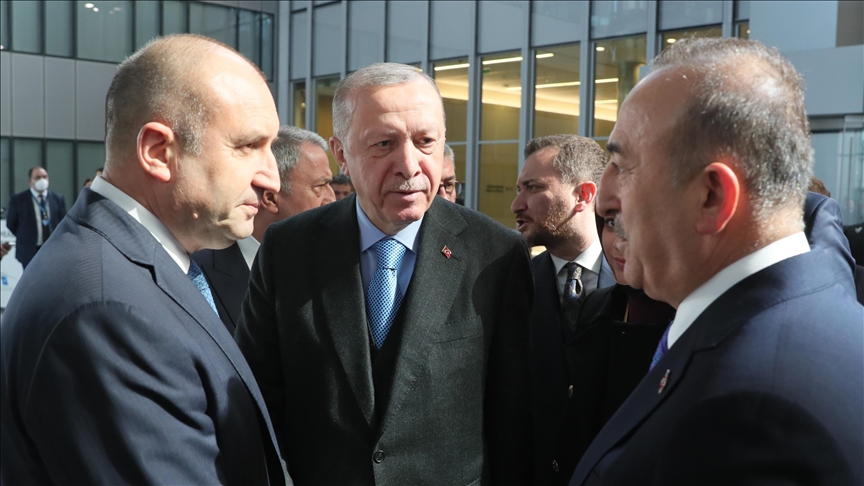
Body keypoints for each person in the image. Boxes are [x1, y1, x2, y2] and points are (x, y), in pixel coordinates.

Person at [569, 38, 863, 485]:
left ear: (712, 197)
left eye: (622, 166)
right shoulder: (821, 316)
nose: (604, 197)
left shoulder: (749, 417)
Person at [0, 34, 289, 485]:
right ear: (158, 152)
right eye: (248, 146)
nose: (272, 178)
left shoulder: (130, 269)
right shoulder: (107, 311)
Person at [235, 62, 534, 485]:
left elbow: (514, 421)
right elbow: (256, 399)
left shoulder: (496, 255)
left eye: (425, 142)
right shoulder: (288, 249)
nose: (409, 165)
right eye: (384, 144)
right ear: (341, 153)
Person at [510, 134, 613, 484]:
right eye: (519, 189)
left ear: (583, 195)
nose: (517, 204)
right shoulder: (511, 287)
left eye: (533, 188)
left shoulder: (640, 287)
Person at [554, 212, 675, 483]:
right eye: (611, 222)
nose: (619, 241)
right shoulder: (598, 306)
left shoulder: (695, 323)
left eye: (637, 220)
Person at [192, 126, 335, 334]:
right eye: (320, 187)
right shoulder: (196, 275)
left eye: (330, 185)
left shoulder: (335, 266)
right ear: (270, 198)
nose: (332, 199)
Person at [5, 167, 67, 269]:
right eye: (37, 177)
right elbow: (11, 223)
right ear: (30, 181)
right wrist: (24, 236)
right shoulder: (19, 200)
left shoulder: (57, 198)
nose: (42, 180)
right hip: (29, 249)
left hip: (52, 248)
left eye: (44, 177)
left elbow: (63, 221)